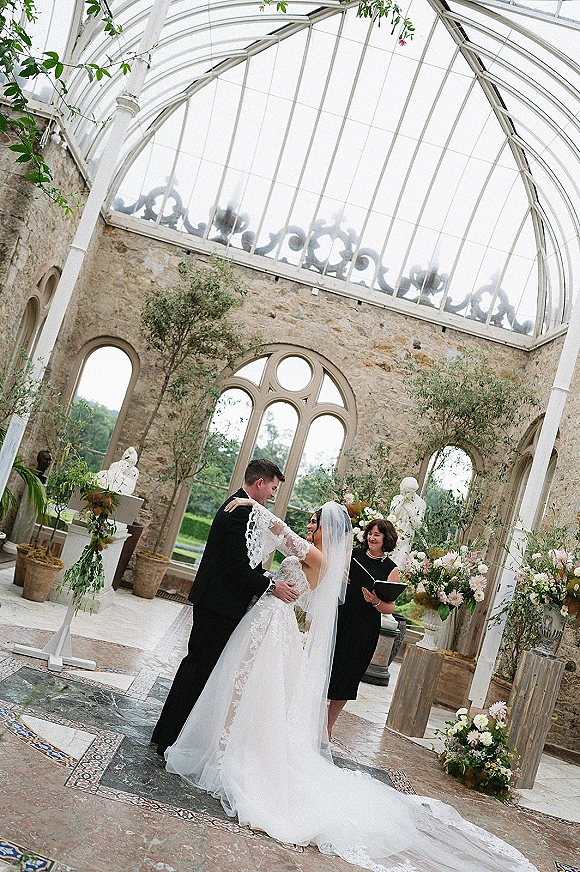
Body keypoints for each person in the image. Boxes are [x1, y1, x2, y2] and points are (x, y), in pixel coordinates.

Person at [164, 500, 538, 872]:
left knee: (253, 689)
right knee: (242, 688)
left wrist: (250, 504)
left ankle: (233, 750)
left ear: (330, 530)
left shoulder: (318, 557)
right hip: (267, 619)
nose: (311, 523)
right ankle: (226, 742)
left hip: (274, 623)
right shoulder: (328, 560)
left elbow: (281, 531)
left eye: (317, 520)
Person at [151, 458, 298, 756]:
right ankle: (168, 737)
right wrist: (271, 587)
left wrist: (265, 576)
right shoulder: (238, 512)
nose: (272, 494)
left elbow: (243, 563)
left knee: (199, 667)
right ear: (259, 483)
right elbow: (234, 566)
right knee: (197, 668)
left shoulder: (243, 507)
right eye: (272, 488)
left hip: (220, 602)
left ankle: (172, 733)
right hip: (218, 604)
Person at [327, 517, 399, 735]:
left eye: (377, 534)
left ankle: (328, 727)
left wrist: (374, 601)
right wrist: (339, 573)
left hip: (364, 628)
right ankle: (314, 717)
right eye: (370, 533)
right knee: (328, 668)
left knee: (348, 676)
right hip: (341, 617)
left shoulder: (391, 569)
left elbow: (390, 607)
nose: (371, 537)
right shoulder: (354, 556)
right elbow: (330, 570)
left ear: (386, 538)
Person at [389, 476, 426, 567]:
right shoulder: (397, 499)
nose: (405, 493)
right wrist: (401, 502)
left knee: (398, 566)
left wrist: (410, 510)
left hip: (406, 538)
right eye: (404, 490)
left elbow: (417, 525)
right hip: (392, 535)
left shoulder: (421, 503)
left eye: (408, 492)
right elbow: (392, 516)